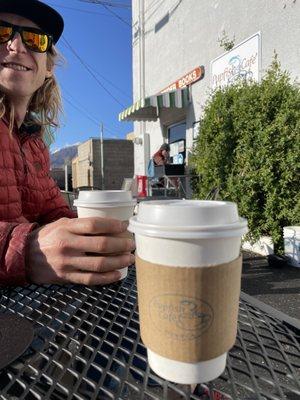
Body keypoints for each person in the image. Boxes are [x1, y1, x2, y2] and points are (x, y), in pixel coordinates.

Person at [0, 0, 135, 287]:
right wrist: (27, 251)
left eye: (34, 40)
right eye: (2, 32)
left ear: (48, 66)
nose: (16, 45)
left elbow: (55, 211)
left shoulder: (33, 143)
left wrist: (101, 231)